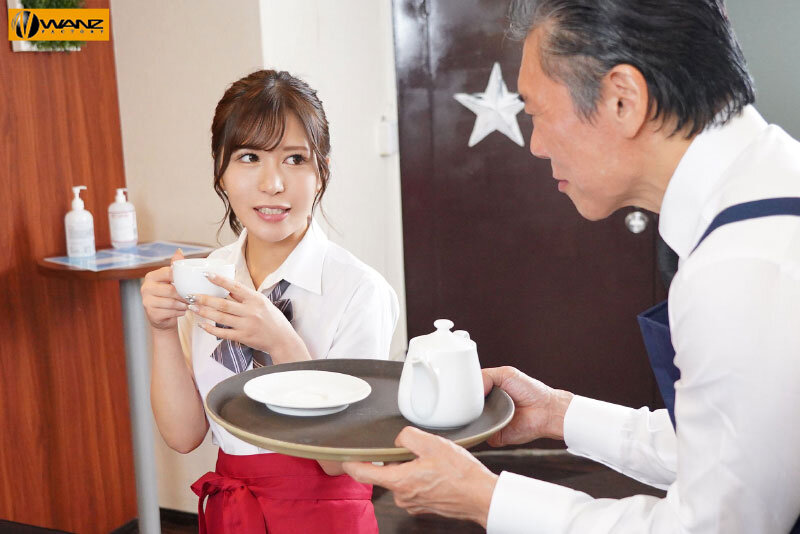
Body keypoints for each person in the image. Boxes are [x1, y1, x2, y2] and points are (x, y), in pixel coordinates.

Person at [343, 1, 800, 532]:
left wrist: (484, 498)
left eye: (536, 112)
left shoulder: (745, 266)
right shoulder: (763, 195)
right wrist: (557, 413)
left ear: (623, 100)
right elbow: (734, 452)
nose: (536, 145)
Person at [141, 69, 399, 533]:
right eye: (249, 157)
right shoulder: (207, 277)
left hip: (324, 517)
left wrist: (284, 346)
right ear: (221, 173)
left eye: (295, 159)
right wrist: (161, 330)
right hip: (233, 512)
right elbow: (183, 436)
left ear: (321, 173)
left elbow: (346, 463)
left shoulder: (360, 291)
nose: (273, 183)